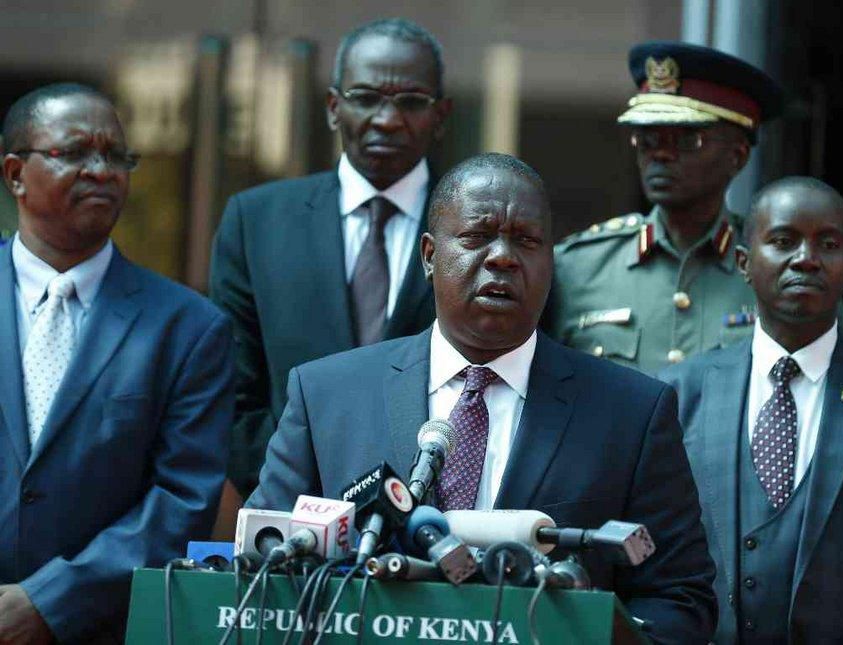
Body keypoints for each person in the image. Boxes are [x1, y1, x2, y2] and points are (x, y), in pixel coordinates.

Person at [248, 153, 717, 642]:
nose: (502, 257)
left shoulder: (632, 414)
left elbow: (679, 600)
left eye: (527, 241)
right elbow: (261, 566)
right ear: (430, 256)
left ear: (550, 262)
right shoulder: (327, 395)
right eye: (476, 237)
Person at [0, 83, 233, 644]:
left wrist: (49, 602)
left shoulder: (188, 327)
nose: (101, 170)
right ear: (14, 174)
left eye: (115, 156)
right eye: (75, 152)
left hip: (98, 628)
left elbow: (184, 500)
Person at [209, 18, 452, 505]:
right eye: (365, 97)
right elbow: (232, 394)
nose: (386, 118)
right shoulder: (255, 221)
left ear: (441, 114)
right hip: (293, 513)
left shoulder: (476, 230)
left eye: (410, 101)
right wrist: (296, 489)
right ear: (333, 107)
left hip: (439, 511)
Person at [660, 177, 843, 642]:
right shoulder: (675, 393)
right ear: (744, 263)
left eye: (827, 244)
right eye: (784, 241)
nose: (806, 258)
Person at [546, 41, 783, 375]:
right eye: (647, 138)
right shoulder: (577, 269)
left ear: (738, 156)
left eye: (687, 139)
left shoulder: (775, 271)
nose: (661, 154)